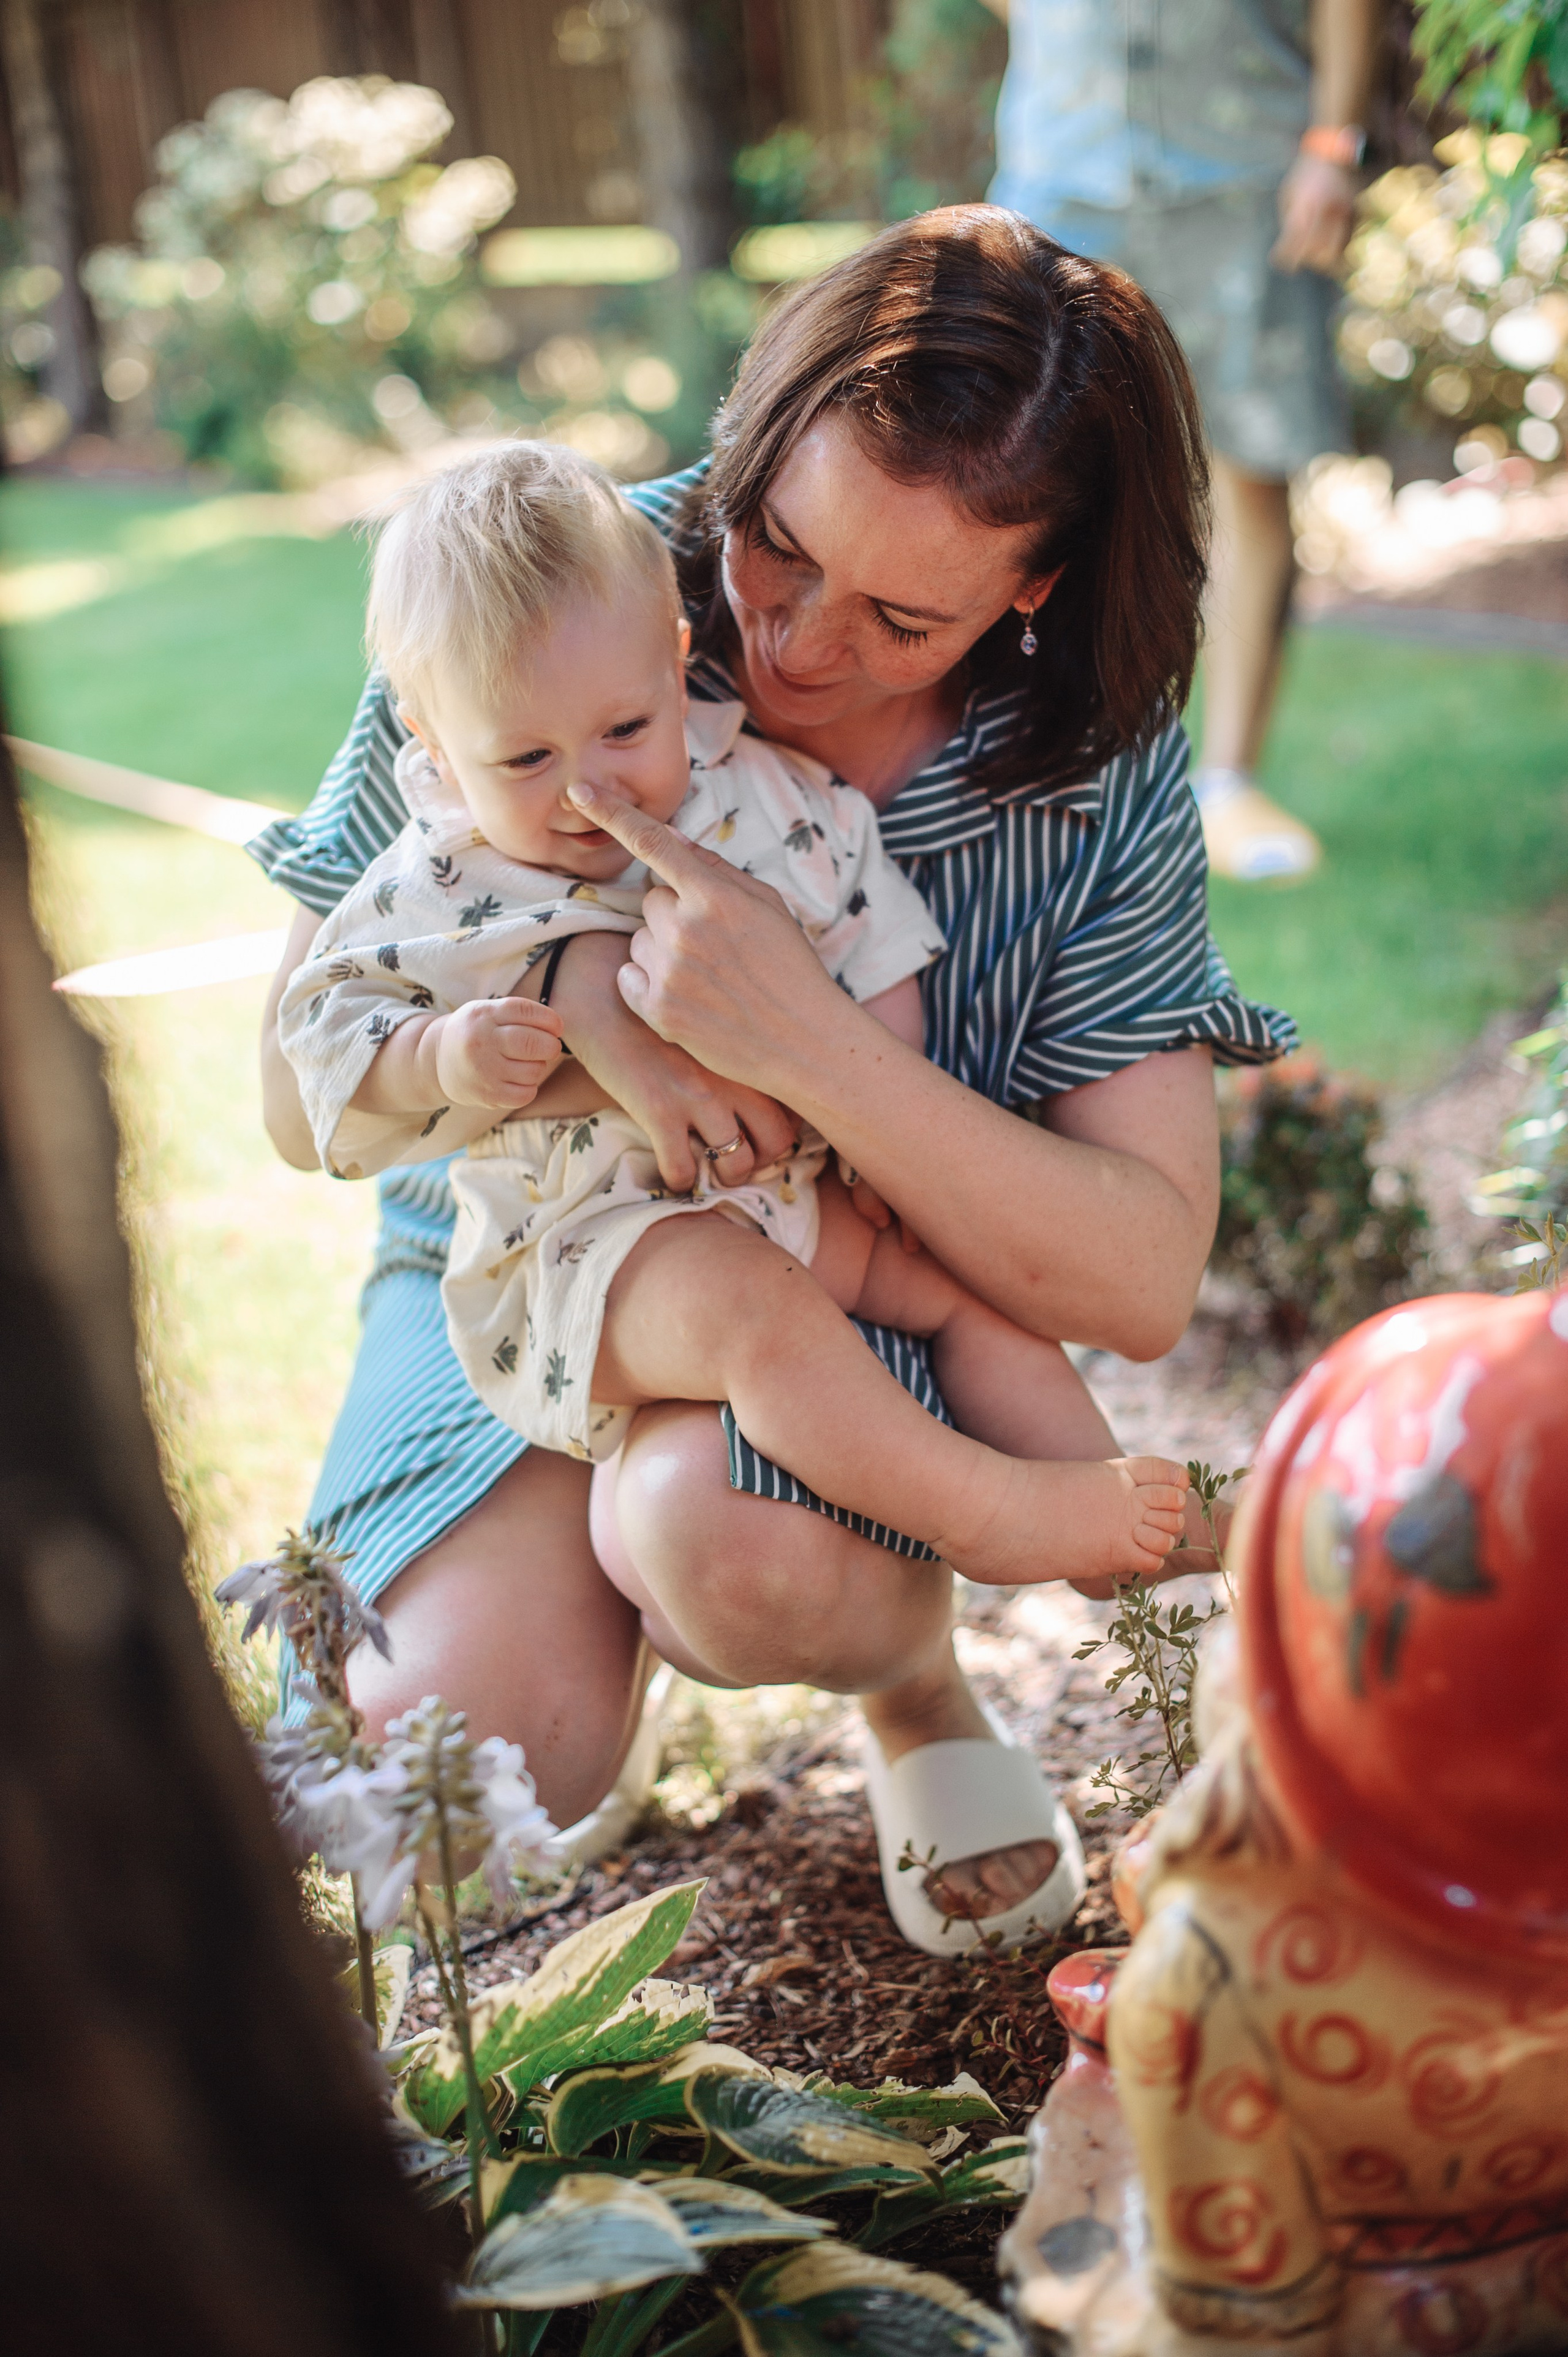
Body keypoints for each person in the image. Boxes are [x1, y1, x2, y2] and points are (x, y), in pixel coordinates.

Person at [254, 206, 1295, 1958]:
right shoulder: (550, 594)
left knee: (727, 1544)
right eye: (777, 549)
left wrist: (803, 1042)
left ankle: (908, 1680)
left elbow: (1132, 1277)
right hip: (526, 1256)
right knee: (451, 1772)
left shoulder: (1094, 761)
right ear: (748, 446)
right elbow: (298, 1101)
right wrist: (587, 998)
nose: (797, 643)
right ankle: (585, 1576)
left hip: (855, 1239)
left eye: (900, 614)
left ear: (1031, 590)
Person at [281, 441, 1193, 1587]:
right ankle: (990, 1515)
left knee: (969, 1300)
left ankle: (1137, 1530)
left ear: (674, 664)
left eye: (624, 732)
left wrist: (875, 1123)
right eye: (524, 757)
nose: (587, 792)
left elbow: (876, 946)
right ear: (432, 742)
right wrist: (442, 1056)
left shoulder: (769, 800)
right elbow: (318, 1044)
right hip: (580, 1257)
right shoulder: (440, 877)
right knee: (755, 1313)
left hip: (792, 1200)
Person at [988, 0, 1383, 882]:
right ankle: (1044, 772)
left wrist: (1332, 143)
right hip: (1065, 165)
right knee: (1020, 471)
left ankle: (1226, 786)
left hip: (1245, 167)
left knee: (1252, 472)